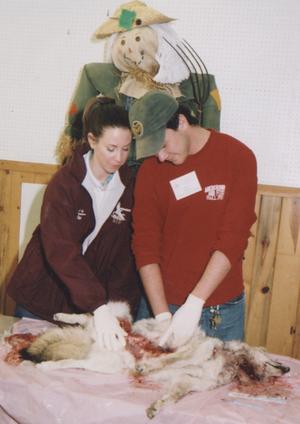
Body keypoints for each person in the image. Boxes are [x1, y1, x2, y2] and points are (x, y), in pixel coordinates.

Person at [7, 97, 140, 351]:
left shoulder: (128, 187)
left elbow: (123, 259)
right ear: (92, 140)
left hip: (87, 305)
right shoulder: (64, 184)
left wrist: (117, 311)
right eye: (111, 148)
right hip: (41, 297)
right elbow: (62, 252)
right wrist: (98, 306)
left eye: (126, 148)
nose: (119, 157)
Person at [129, 90, 257, 347]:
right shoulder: (150, 171)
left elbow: (233, 238)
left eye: (163, 145)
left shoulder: (238, 157)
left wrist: (195, 302)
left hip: (219, 311)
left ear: (182, 122)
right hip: (161, 303)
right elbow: (145, 244)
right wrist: (163, 315)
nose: (161, 157)